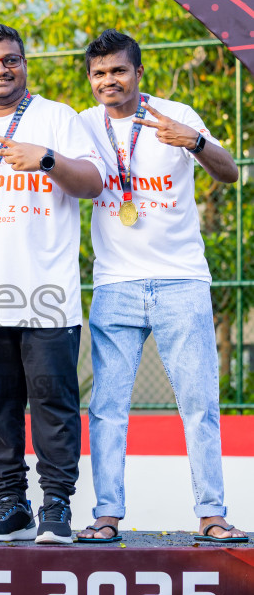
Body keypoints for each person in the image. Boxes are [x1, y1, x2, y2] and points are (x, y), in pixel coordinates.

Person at [77, 28, 248, 543]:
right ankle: (106, 516)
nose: (110, 80)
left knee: (198, 405)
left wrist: (193, 142)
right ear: (90, 79)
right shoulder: (82, 126)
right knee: (106, 408)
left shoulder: (176, 116)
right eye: (100, 73)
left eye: (119, 71)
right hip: (114, 286)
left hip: (182, 282)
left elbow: (230, 174)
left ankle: (212, 514)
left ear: (139, 73)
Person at [0, 21, 104, 544]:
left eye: (10, 59)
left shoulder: (58, 118)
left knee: (54, 404)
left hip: (48, 295)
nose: (0, 69)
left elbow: (95, 183)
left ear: (24, 63)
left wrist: (47, 158)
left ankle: (55, 507)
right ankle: (10, 504)